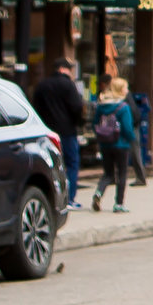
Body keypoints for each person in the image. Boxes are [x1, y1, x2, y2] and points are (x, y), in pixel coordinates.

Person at [32, 58, 88, 210]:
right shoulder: (68, 84)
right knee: (71, 163)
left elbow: (35, 106)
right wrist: (78, 123)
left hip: (47, 132)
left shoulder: (42, 85)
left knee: (51, 165)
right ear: (64, 69)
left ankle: (55, 199)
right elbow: (77, 107)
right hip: (67, 131)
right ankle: (69, 199)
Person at [90, 78, 140, 213]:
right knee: (122, 173)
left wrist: (100, 137)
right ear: (120, 90)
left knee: (108, 173)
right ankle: (119, 204)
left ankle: (99, 193)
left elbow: (95, 124)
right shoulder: (123, 107)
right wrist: (131, 139)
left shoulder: (101, 105)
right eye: (125, 88)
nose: (127, 91)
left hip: (105, 144)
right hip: (121, 144)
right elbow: (127, 128)